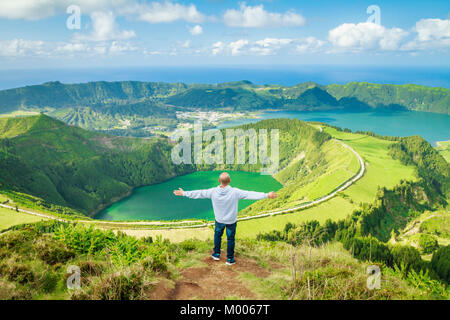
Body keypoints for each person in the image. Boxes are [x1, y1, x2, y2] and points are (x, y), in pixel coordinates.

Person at [173, 172, 277, 265]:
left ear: (219, 181)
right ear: (229, 181)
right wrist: (267, 195)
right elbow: (250, 194)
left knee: (217, 236)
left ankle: (216, 254)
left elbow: (199, 193)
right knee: (230, 239)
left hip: (219, 220)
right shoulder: (235, 192)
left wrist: (184, 193)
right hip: (231, 221)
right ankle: (230, 259)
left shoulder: (213, 192)